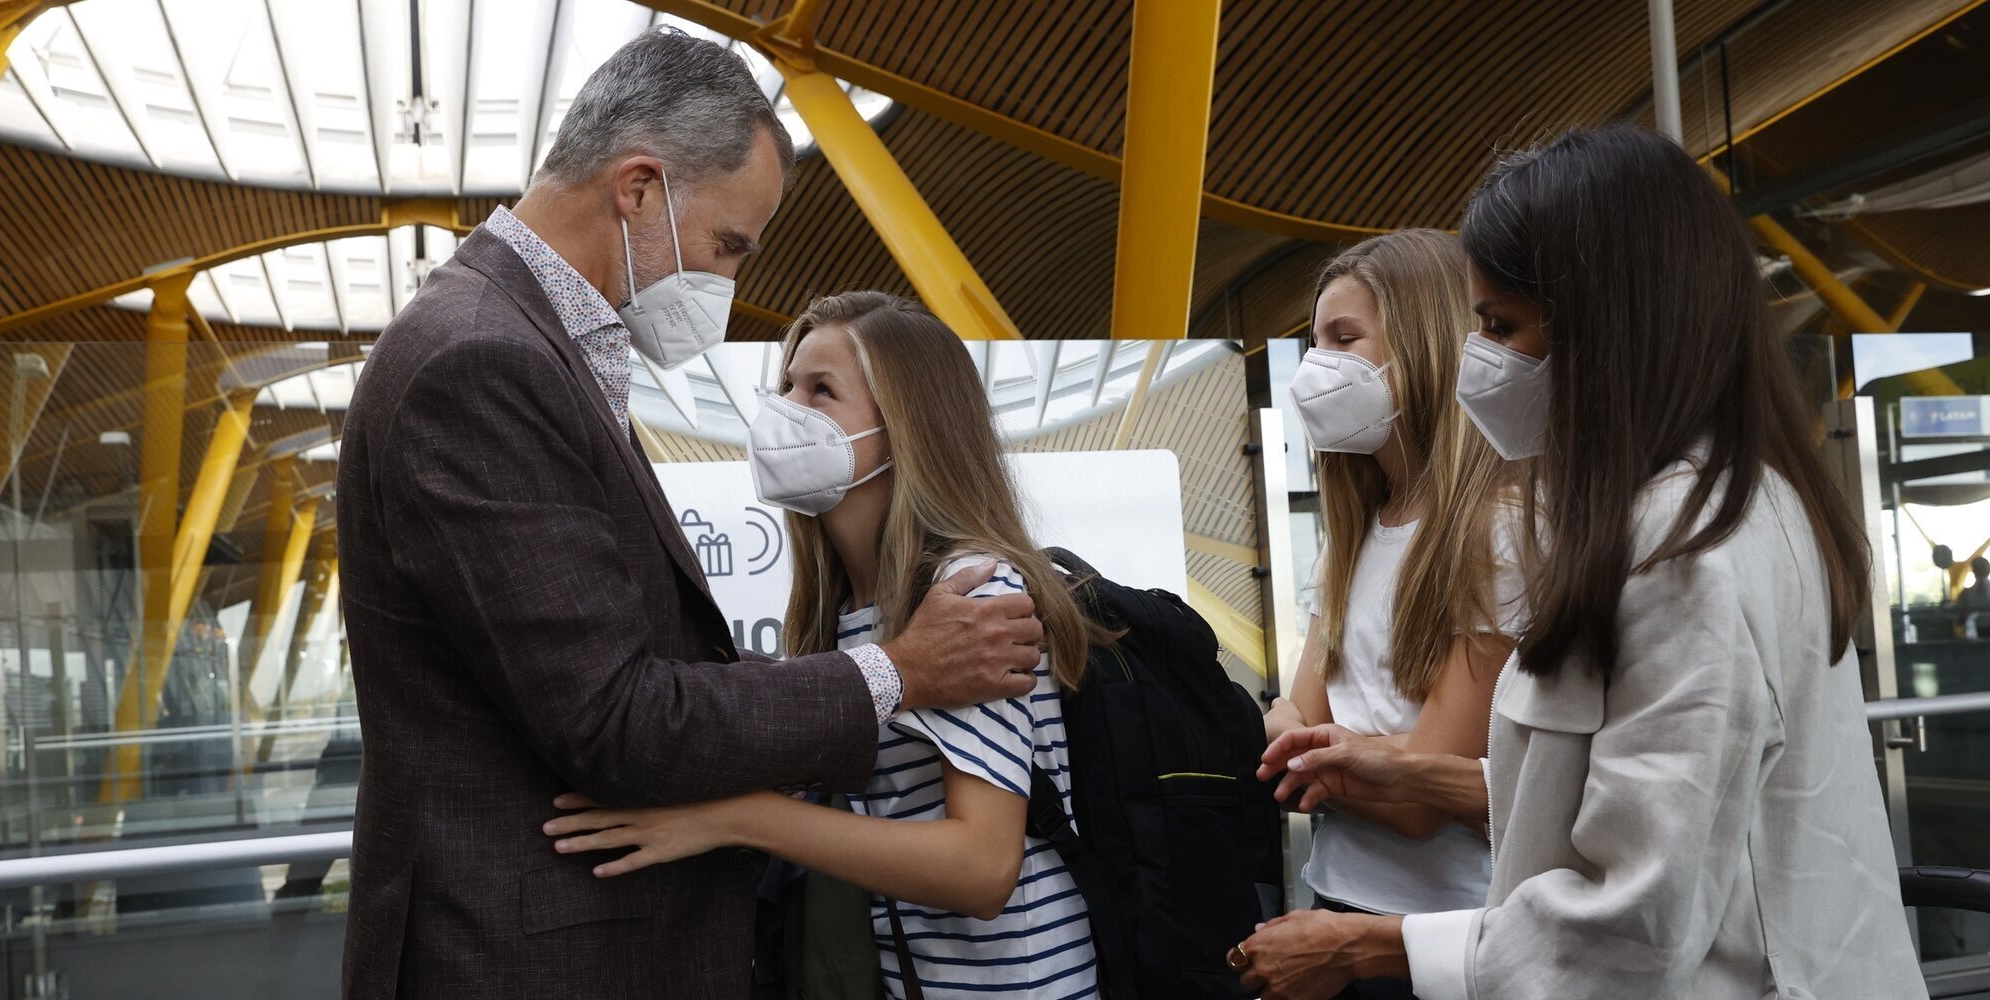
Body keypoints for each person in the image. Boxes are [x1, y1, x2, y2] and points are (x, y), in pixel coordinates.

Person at [334, 34, 1045, 999]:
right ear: (638, 188)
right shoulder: (481, 361)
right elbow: (617, 717)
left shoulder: (519, 345)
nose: (728, 282)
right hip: (533, 956)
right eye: (727, 244)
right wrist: (900, 670)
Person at [1234, 124, 1926, 1000]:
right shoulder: (1748, 503)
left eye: (1499, 324)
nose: (1476, 360)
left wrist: (1371, 948)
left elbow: (1629, 924)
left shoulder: (1677, 554)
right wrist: (1401, 770)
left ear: (1608, 323)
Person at [542, 291, 1110, 1000]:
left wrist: (730, 820)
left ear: (907, 426)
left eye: (821, 390)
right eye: (786, 385)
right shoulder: (841, 610)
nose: (784, 410)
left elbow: (982, 868)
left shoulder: (971, 596)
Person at [1258, 230, 1523, 997]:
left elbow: (1422, 800)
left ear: (1426, 342)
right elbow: (1293, 727)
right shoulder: (1353, 536)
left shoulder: (1495, 531)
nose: (1319, 370)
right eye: (1315, 343)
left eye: (1346, 339)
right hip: (1337, 898)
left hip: (1440, 935)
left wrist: (1325, 750)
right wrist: (1354, 751)